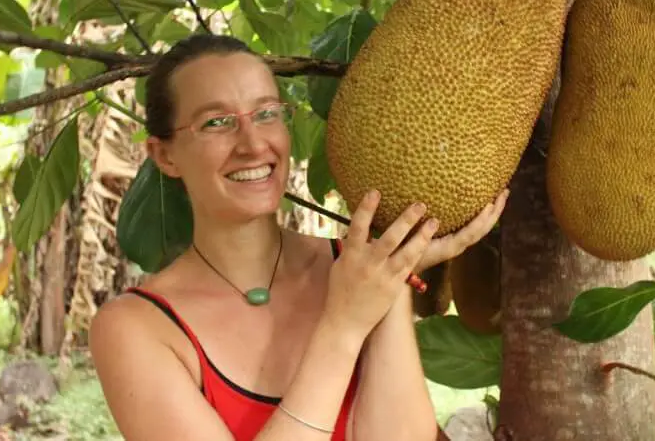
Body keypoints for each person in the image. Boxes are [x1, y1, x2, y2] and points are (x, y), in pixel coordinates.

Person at [89, 33, 508, 441]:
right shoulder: (137, 328)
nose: (253, 144)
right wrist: (343, 326)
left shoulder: (362, 270)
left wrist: (391, 278)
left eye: (267, 113)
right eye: (217, 123)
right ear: (164, 155)